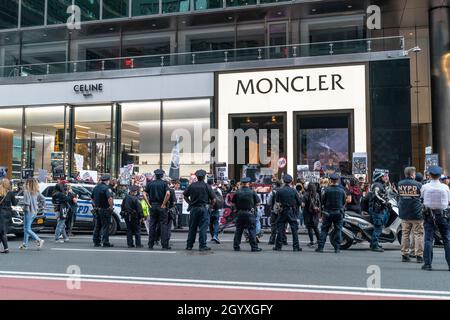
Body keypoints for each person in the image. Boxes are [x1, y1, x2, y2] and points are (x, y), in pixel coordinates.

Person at [420, 165, 450, 271]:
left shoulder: (425, 187)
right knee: (447, 239)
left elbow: (422, 199)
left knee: (428, 239)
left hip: (429, 215)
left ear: (430, 175)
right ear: (439, 175)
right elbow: (448, 202)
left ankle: (427, 264)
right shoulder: (445, 187)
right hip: (443, 215)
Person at [184, 170, 216, 251]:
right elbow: (214, 199)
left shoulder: (192, 185)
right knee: (203, 228)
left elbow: (185, 196)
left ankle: (189, 245)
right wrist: (210, 207)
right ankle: (202, 245)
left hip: (194, 209)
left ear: (197, 177)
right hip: (203, 208)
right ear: (204, 177)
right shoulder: (207, 186)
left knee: (192, 227)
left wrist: (190, 203)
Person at [398, 167, 424, 263]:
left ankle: (404, 254)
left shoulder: (400, 184)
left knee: (405, 234)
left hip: (404, 213)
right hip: (416, 213)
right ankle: (419, 255)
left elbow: (400, 197)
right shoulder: (418, 184)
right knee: (418, 235)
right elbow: (422, 198)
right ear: (413, 174)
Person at [315, 174, 346, 254]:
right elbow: (343, 202)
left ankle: (321, 247)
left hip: (328, 212)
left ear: (330, 180)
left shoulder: (326, 190)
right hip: (338, 212)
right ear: (337, 181)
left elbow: (322, 201)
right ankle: (337, 248)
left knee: (324, 229)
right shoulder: (342, 190)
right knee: (338, 230)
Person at [273, 175, 303, 252]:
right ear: (291, 181)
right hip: (291, 211)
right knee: (294, 230)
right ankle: (296, 247)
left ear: (283, 181)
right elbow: (299, 202)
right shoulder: (294, 191)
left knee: (280, 229)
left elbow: (277, 202)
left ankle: (278, 246)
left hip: (283, 211)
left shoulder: (279, 191)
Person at [232, 177, 262, 252]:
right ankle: (254, 247)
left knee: (238, 230)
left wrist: (236, 210)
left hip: (240, 213)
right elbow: (258, 203)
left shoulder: (237, 192)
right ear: (248, 183)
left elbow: (233, 203)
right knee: (252, 230)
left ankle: (236, 246)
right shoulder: (252, 192)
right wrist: (253, 207)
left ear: (242, 184)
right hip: (250, 213)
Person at [145, 169, 171, 250]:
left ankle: (150, 244)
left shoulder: (150, 183)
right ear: (162, 175)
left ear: (155, 175)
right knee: (163, 225)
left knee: (152, 225)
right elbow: (168, 193)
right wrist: (163, 203)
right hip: (161, 206)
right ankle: (164, 245)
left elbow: (144, 194)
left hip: (152, 205)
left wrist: (148, 204)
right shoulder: (164, 184)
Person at [20, 178, 45, 250]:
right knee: (26, 228)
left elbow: (26, 204)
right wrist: (40, 206)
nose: (25, 184)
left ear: (28, 183)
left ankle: (38, 240)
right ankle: (25, 244)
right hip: (34, 212)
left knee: (27, 229)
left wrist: (23, 209)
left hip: (28, 212)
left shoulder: (26, 191)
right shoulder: (36, 192)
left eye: (26, 183)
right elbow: (43, 199)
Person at [368, 172, 390, 252]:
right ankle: (374, 245)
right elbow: (377, 195)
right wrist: (385, 201)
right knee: (378, 227)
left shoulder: (380, 185)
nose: (386, 177)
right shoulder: (377, 185)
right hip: (377, 210)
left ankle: (374, 243)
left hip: (380, 209)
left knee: (379, 226)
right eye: (384, 176)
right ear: (379, 177)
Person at [91, 175, 115, 248]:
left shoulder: (96, 187)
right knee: (105, 226)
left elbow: (92, 199)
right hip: (105, 209)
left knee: (97, 226)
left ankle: (96, 241)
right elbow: (110, 198)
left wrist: (95, 206)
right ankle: (105, 242)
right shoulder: (106, 188)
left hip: (97, 209)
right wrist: (111, 207)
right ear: (107, 181)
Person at [0, 179, 18, 253]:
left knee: (2, 231)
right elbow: (14, 203)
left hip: (1, 213)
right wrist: (16, 200)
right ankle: (6, 248)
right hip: (8, 213)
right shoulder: (11, 193)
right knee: (2, 231)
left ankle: (6, 248)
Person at [302, 182, 321, 247]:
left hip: (308, 213)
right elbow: (319, 203)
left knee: (309, 228)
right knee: (315, 227)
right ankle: (319, 240)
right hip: (315, 213)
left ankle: (312, 241)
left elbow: (303, 205)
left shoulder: (305, 195)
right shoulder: (317, 194)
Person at [208, 177, 223, 244]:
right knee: (216, 223)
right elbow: (221, 199)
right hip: (216, 209)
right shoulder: (218, 190)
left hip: (209, 209)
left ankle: (213, 236)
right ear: (213, 183)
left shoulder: (207, 189)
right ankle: (215, 236)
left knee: (210, 224)